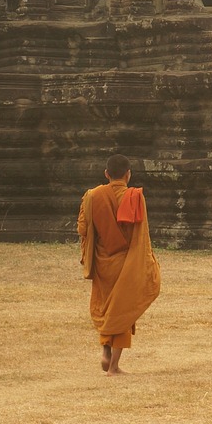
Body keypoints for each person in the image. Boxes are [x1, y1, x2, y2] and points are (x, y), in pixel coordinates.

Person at [77, 154, 161, 375]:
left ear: (106, 174)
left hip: (103, 262)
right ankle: (113, 366)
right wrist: (146, 261)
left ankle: (105, 350)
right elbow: (140, 235)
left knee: (106, 306)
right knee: (122, 309)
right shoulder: (134, 197)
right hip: (126, 262)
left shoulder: (92, 196)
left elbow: (83, 228)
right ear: (128, 174)